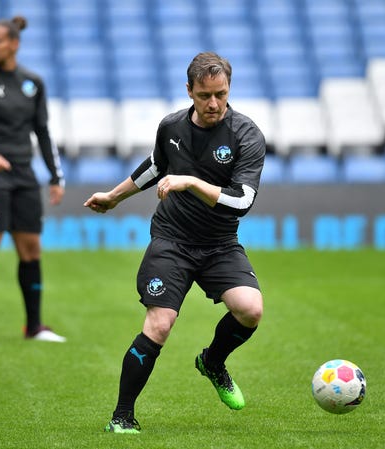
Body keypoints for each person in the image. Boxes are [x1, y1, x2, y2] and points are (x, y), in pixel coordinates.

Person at [84, 52, 265, 433]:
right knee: (159, 324)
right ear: (189, 91)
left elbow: (243, 200)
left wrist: (191, 182)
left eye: (221, 94)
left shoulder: (246, 135)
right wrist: (114, 197)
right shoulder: (171, 127)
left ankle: (213, 362)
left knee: (250, 310)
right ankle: (122, 417)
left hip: (220, 243)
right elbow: (155, 166)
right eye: (204, 95)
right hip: (172, 241)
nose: (214, 103)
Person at [0, 16, 66, 344]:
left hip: (24, 174)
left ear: (14, 44)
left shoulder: (33, 83)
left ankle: (34, 326)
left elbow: (43, 132)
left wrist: (55, 175)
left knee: (31, 248)